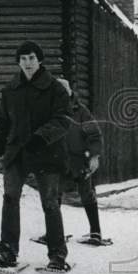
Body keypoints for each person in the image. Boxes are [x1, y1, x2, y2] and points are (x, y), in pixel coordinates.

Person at [0, 40, 73, 272]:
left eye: (32, 58)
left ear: (40, 60)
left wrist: (41, 137)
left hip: (47, 152)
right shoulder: (10, 90)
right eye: (23, 59)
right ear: (18, 62)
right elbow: (2, 124)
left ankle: (57, 255)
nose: (27, 63)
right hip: (17, 153)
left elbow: (63, 120)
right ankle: (7, 251)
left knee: (50, 203)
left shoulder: (55, 88)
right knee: (10, 198)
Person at [31, 78, 106, 246]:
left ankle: (95, 232)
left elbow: (94, 134)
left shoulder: (80, 112)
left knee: (87, 194)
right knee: (53, 195)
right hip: (56, 160)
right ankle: (53, 234)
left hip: (79, 161)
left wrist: (94, 157)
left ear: (70, 93)